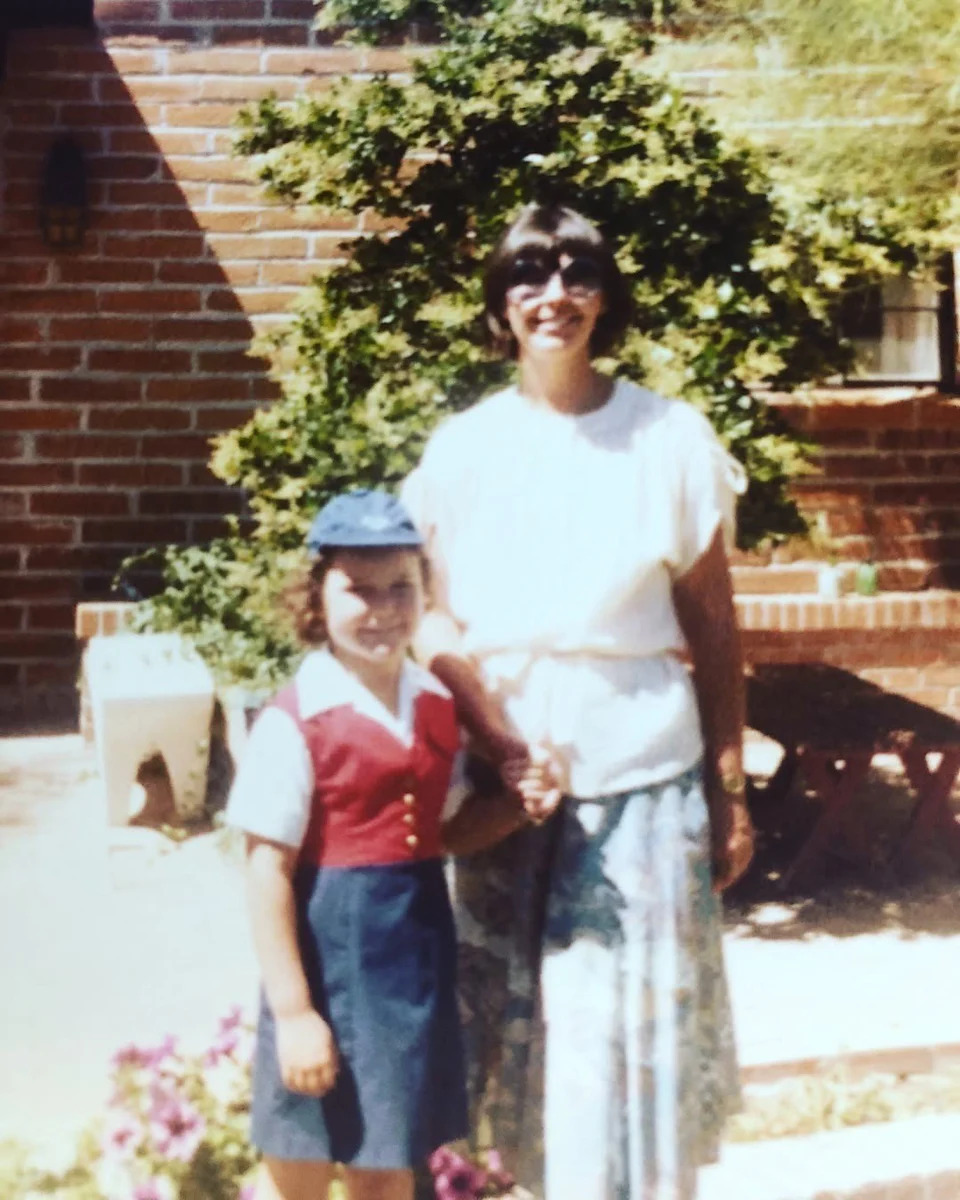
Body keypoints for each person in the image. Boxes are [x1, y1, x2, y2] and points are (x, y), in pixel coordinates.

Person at [401, 203, 756, 1200]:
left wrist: (730, 789)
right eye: (527, 274)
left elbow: (715, 627)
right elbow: (427, 618)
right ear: (498, 305)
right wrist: (497, 738)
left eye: (576, 271)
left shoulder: (670, 437)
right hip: (500, 796)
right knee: (510, 1051)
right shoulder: (462, 450)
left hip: (644, 784)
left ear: (605, 295)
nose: (553, 293)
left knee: (634, 1049)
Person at [227, 489, 529, 1200]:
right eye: (358, 590)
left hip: (409, 957)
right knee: (300, 1149)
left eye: (402, 588)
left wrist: (517, 808)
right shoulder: (298, 719)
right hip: (325, 956)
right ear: (317, 596)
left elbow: (448, 830)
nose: (383, 609)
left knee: (389, 1155)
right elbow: (266, 869)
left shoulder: (432, 706)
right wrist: (296, 1013)